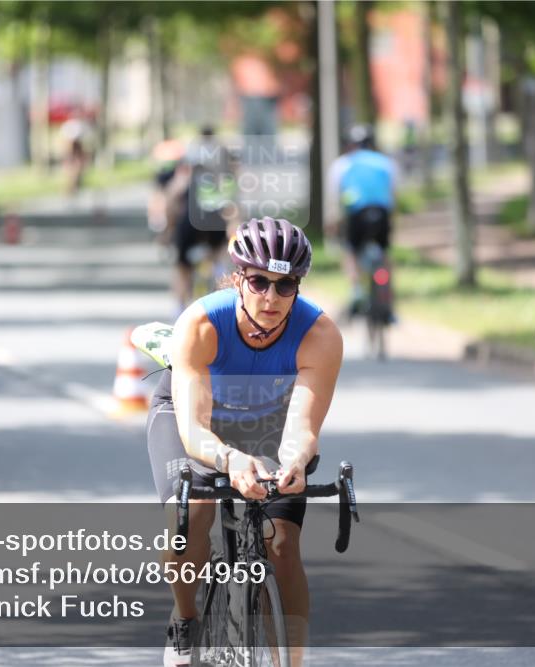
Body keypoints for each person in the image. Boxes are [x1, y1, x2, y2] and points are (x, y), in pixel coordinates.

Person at [147, 217, 343, 667]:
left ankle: (292, 661)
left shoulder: (320, 335)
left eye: (285, 285)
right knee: (193, 516)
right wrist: (229, 458)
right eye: (258, 282)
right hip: (194, 419)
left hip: (269, 423)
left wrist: (294, 459)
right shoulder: (200, 323)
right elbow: (194, 429)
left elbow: (303, 426)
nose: (271, 298)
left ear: (299, 286)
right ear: (238, 278)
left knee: (282, 543)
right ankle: (186, 617)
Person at [327, 124, 399, 316]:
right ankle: (387, 300)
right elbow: (393, 193)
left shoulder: (343, 164)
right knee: (384, 254)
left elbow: (334, 196)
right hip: (381, 213)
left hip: (357, 214)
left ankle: (356, 290)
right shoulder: (386, 163)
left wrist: (333, 221)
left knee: (350, 251)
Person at [168, 126, 236, 315]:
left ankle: (179, 307)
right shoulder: (221, 161)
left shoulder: (191, 157)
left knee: (181, 265)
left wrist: (168, 228)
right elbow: (232, 202)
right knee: (222, 256)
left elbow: (173, 197)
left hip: (189, 222)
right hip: (216, 222)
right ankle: (224, 295)